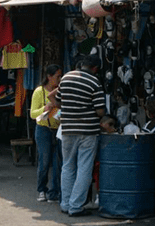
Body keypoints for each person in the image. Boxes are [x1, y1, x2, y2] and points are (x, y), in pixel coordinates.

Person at [56, 54, 106, 216]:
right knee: (85, 167)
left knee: (68, 166)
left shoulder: (65, 78)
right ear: (95, 68)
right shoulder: (94, 82)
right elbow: (99, 111)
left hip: (68, 129)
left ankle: (65, 203)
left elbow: (57, 102)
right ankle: (76, 206)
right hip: (88, 131)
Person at [30, 64, 63, 202]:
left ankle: (54, 192)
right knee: (44, 161)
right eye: (58, 76)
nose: (60, 79)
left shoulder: (60, 91)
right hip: (43, 130)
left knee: (57, 163)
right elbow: (33, 114)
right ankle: (42, 189)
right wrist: (45, 108)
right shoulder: (39, 92)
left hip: (57, 130)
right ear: (49, 77)